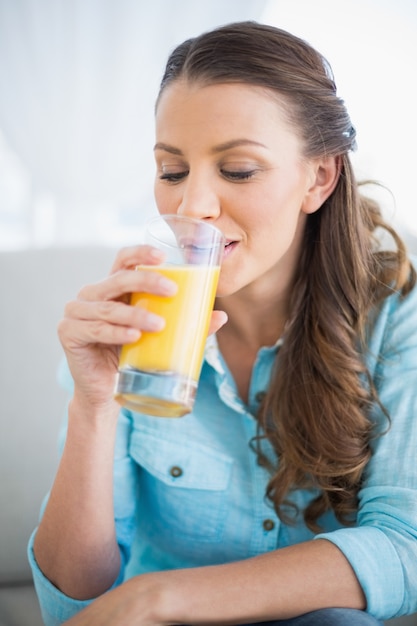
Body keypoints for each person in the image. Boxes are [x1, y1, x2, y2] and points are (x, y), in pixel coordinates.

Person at [28, 20, 417, 626]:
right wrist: (93, 405)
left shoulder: (397, 315)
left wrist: (156, 598)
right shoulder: (135, 321)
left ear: (319, 177)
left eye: (237, 170)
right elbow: (70, 603)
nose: (192, 207)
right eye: (172, 171)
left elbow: (406, 548)